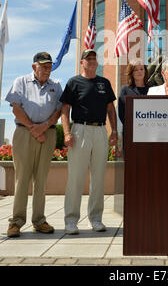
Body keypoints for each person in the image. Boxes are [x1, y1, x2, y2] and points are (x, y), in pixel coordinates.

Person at [60, 49, 118, 235]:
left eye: (94, 58)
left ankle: (96, 219)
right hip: (80, 130)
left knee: (98, 178)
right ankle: (71, 221)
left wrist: (114, 131)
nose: (92, 61)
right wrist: (67, 133)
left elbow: (110, 109)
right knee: (75, 178)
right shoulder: (73, 82)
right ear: (82, 62)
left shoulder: (104, 83)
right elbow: (64, 109)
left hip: (100, 130)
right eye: (88, 58)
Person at [5, 52, 62, 237]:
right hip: (24, 133)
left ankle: (39, 220)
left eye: (49, 66)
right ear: (33, 66)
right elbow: (16, 108)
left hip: (48, 133)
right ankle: (16, 222)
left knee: (41, 179)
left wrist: (44, 127)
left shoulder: (57, 85)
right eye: (43, 65)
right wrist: (33, 128)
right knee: (22, 179)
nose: (47, 69)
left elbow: (59, 111)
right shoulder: (21, 82)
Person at [118, 61, 149, 152]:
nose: (139, 72)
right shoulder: (125, 90)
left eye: (141, 69)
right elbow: (122, 113)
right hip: (130, 134)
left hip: (148, 133)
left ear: (145, 71)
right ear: (131, 72)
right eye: (135, 70)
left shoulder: (152, 89)